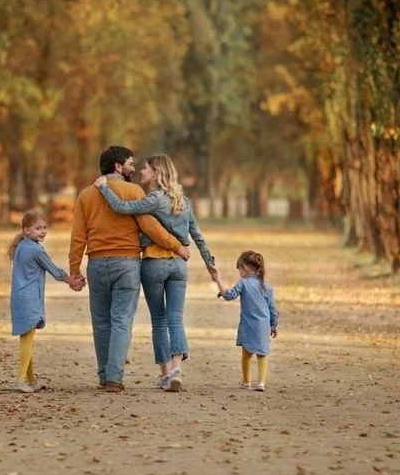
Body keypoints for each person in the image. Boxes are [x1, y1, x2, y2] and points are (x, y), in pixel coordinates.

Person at [69, 145, 191, 393]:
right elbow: (149, 226)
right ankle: (115, 377)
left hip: (96, 263)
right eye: (131, 164)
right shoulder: (133, 191)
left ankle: (104, 375)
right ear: (118, 166)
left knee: (101, 321)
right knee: (121, 320)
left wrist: (74, 270)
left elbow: (78, 237)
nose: (134, 169)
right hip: (127, 264)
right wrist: (176, 245)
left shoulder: (85, 195)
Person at [94, 153, 215, 392]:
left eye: (146, 169)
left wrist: (104, 188)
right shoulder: (184, 201)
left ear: (157, 173)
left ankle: (165, 374)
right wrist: (210, 263)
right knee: (176, 317)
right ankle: (177, 370)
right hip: (179, 266)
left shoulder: (154, 199)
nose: (142, 172)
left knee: (159, 320)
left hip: (154, 262)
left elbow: (121, 208)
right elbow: (198, 236)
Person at [9, 210, 85, 393]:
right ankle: (20, 381)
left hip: (19, 297)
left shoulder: (21, 246)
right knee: (27, 340)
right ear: (26, 230)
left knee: (27, 338)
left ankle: (31, 380)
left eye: (44, 228)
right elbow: (55, 271)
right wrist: (73, 281)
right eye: (38, 228)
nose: (42, 231)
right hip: (29, 299)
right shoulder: (35, 250)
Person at [211, 250, 279, 392]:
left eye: (240, 269)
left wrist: (218, 280)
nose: (239, 273)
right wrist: (273, 325)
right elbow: (273, 309)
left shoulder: (243, 283)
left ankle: (246, 382)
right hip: (263, 326)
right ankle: (261, 383)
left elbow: (229, 295)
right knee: (262, 354)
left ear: (246, 268)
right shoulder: (267, 286)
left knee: (246, 354)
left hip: (248, 326)